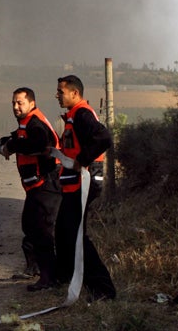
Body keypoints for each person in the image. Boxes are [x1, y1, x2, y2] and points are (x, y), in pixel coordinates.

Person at [0, 87, 62, 291]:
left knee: (42, 231)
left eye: (20, 103)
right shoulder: (26, 123)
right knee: (30, 227)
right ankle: (35, 269)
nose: (16, 107)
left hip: (47, 184)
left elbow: (37, 143)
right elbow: (16, 138)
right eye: (14, 103)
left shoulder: (36, 123)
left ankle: (49, 278)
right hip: (36, 187)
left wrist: (12, 146)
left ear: (32, 103)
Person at [54, 75, 116, 301]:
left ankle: (103, 290)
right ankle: (63, 277)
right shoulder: (73, 115)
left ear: (75, 94)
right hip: (74, 185)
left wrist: (83, 159)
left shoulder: (81, 114)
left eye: (61, 92)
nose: (57, 95)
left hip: (85, 183)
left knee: (76, 234)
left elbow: (104, 138)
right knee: (63, 230)